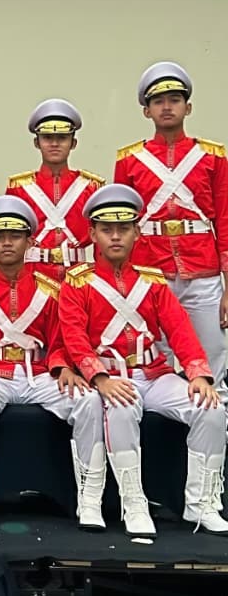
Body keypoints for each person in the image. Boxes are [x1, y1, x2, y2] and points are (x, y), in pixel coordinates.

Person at [59, 184, 228, 536]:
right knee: (120, 409)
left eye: (123, 229)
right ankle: (134, 503)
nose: (115, 237)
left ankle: (201, 504)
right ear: (93, 234)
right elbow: (75, 338)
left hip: (153, 374)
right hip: (112, 377)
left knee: (211, 409)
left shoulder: (152, 281)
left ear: (137, 232)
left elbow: (180, 330)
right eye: (107, 229)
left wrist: (199, 374)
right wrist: (100, 379)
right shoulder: (77, 283)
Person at [0, 196, 106, 531]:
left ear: (29, 242)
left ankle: (90, 499)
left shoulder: (50, 290)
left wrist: (63, 368)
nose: (7, 243)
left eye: (15, 236)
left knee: (89, 400)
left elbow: (59, 340)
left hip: (39, 373)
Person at [114, 61, 228, 392]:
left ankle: (217, 419)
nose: (167, 107)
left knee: (212, 356)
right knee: (153, 360)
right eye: (158, 101)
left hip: (202, 272)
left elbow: (224, 220)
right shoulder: (129, 160)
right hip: (151, 272)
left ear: (187, 107)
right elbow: (120, 226)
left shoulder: (212, 156)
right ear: (146, 111)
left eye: (175, 100)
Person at [7, 100, 103, 282]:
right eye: (47, 137)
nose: (54, 144)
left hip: (78, 276)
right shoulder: (19, 188)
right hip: (33, 276)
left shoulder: (91, 187)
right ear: (36, 142)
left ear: (73, 143)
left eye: (62, 138)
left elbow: (102, 243)